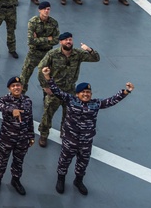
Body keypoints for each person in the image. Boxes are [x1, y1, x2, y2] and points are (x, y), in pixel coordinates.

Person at [42, 67, 134, 195]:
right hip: (70, 139)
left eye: (88, 92)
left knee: (83, 162)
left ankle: (78, 181)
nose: (86, 94)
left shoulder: (96, 103)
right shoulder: (71, 100)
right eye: (83, 92)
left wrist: (125, 92)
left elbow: (111, 101)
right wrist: (47, 77)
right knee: (64, 161)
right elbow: (57, 91)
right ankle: (61, 179)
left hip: (86, 141)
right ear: (77, 94)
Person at [36, 32, 100, 147]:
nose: (68, 42)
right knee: (48, 114)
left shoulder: (78, 54)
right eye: (65, 40)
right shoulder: (52, 54)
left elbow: (96, 59)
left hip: (70, 91)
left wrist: (89, 49)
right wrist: (45, 87)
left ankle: (64, 133)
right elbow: (41, 68)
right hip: (55, 90)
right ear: (61, 42)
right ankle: (44, 135)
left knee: (69, 115)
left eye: (70, 39)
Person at [0, 76, 34, 195]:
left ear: (22, 87)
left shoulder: (28, 101)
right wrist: (10, 109)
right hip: (7, 138)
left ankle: (16, 180)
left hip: (22, 139)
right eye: (13, 86)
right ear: (9, 88)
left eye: (18, 85)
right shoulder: (5, 99)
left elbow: (30, 119)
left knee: (19, 161)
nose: (16, 88)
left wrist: (31, 135)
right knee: (1, 160)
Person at [19, 1, 59, 92]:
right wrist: (48, 39)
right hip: (34, 53)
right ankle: (20, 98)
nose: (46, 11)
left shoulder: (54, 23)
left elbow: (56, 40)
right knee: (24, 76)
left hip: (47, 54)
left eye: (48, 9)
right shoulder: (33, 22)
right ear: (39, 10)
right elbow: (31, 40)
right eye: (44, 9)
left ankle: (47, 99)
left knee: (46, 79)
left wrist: (39, 39)